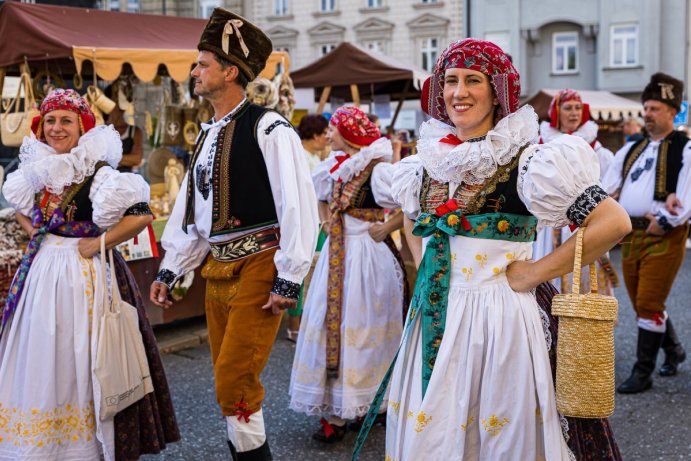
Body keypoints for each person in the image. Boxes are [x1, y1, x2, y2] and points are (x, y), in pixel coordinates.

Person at [354, 38, 630, 461]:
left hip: (500, 319)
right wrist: (424, 262)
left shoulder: (528, 160)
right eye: (449, 81)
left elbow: (613, 222)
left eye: (472, 80)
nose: (458, 92)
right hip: (434, 313)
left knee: (497, 428)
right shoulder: (427, 161)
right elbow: (413, 216)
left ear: (498, 91)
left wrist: (535, 273)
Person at [149, 9, 318, 460]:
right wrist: (171, 269)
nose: (194, 71)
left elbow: (297, 204)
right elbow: (192, 211)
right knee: (228, 379)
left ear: (230, 71)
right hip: (218, 268)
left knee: (236, 380)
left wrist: (289, 277)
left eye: (202, 64)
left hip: (262, 262)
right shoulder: (206, 135)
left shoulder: (269, 127)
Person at [0, 89, 179, 461]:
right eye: (50, 120)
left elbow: (141, 214)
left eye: (66, 120)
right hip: (44, 270)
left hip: (85, 274)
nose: (56, 128)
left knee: (79, 352)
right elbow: (19, 206)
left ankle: (81, 446)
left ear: (82, 126)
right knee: (43, 349)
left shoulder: (97, 171)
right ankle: (43, 442)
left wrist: (98, 243)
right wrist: (36, 231)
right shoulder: (38, 169)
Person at [289, 105, 406, 443]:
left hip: (368, 257)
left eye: (334, 129)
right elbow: (321, 196)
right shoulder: (333, 167)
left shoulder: (378, 169)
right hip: (337, 253)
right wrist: (327, 218)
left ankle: (366, 403)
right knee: (331, 324)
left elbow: (413, 206)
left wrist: (386, 228)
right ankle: (342, 406)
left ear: (349, 135)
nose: (329, 134)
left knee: (364, 328)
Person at [603, 72, 690, 394]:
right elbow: (608, 187)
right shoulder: (631, 149)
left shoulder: (685, 148)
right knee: (643, 302)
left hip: (663, 234)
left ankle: (642, 373)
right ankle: (674, 349)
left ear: (673, 111)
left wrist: (666, 220)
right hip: (631, 234)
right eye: (647, 108)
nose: (648, 114)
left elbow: (686, 196)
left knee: (649, 301)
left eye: (655, 108)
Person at [534, 89, 618, 295]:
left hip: (586, 222)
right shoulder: (541, 146)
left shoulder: (597, 150)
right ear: (556, 112)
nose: (574, 113)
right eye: (568, 108)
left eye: (578, 108)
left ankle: (585, 324)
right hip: (550, 224)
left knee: (586, 278)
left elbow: (610, 186)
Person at [105, 84, 144, 173]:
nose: (120, 105)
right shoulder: (101, 129)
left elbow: (137, 159)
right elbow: (96, 160)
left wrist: (110, 159)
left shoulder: (135, 132)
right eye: (116, 101)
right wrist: (125, 160)